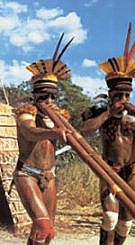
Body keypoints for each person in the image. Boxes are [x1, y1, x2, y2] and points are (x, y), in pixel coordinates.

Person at [80, 23, 135, 245]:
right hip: (109, 170)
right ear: (110, 94)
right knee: (110, 217)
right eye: (118, 95)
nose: (123, 99)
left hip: (132, 171)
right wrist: (108, 113)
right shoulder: (99, 112)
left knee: (126, 222)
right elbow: (83, 132)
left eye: (127, 94)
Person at [13, 33, 73, 245]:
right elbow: (30, 132)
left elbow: (79, 133)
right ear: (35, 96)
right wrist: (55, 132)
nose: (48, 100)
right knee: (43, 225)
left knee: (46, 234)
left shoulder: (59, 117)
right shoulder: (26, 112)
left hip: (50, 177)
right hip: (27, 174)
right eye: (44, 96)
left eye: (52, 96)